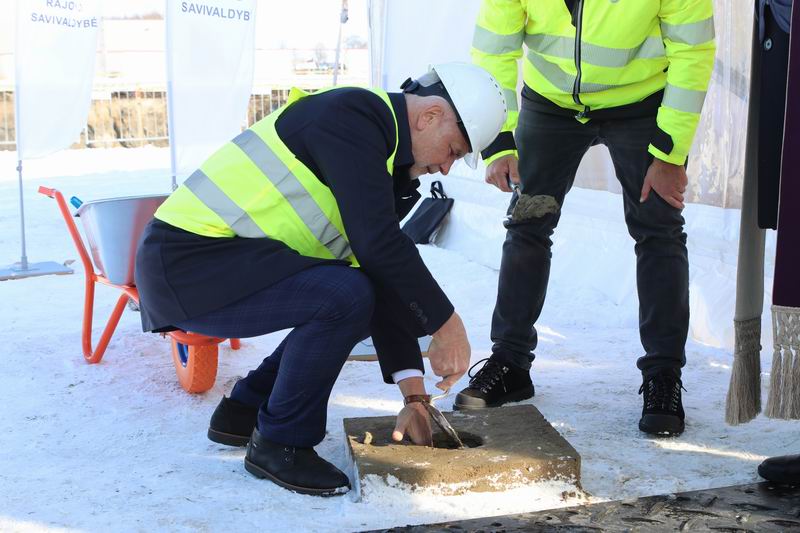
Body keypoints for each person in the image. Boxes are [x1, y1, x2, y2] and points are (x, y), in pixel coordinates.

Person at [134, 63, 508, 496]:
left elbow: (379, 274)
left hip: (216, 267)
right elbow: (377, 245)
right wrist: (446, 325)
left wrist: (415, 399)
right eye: (453, 149)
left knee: (349, 293)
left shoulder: (382, 161)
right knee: (343, 296)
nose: (446, 167)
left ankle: (245, 410)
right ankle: (280, 443)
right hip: (186, 264)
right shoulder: (352, 116)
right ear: (429, 117)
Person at [455, 0, 715, 437]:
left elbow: (693, 52)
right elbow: (495, 50)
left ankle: (663, 376)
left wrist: (670, 152)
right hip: (550, 103)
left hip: (641, 103)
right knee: (527, 224)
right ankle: (510, 364)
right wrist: (499, 141)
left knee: (659, 232)